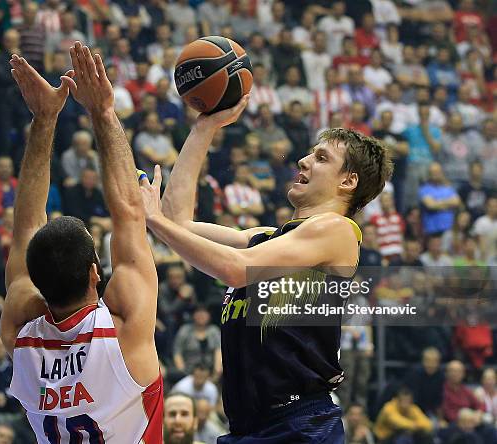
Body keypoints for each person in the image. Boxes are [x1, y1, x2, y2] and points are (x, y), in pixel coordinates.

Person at [140, 99, 392, 440]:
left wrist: (154, 220)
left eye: (321, 158)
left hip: (298, 424)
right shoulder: (266, 240)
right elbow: (178, 223)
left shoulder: (337, 229)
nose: (303, 160)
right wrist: (204, 129)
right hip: (248, 425)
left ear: (347, 182)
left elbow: (235, 269)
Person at [1, 44, 162, 443]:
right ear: (96, 272)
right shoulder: (122, 330)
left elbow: (25, 231)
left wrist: (43, 121)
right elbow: (128, 210)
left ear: (35, 280)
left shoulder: (20, 330)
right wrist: (103, 110)